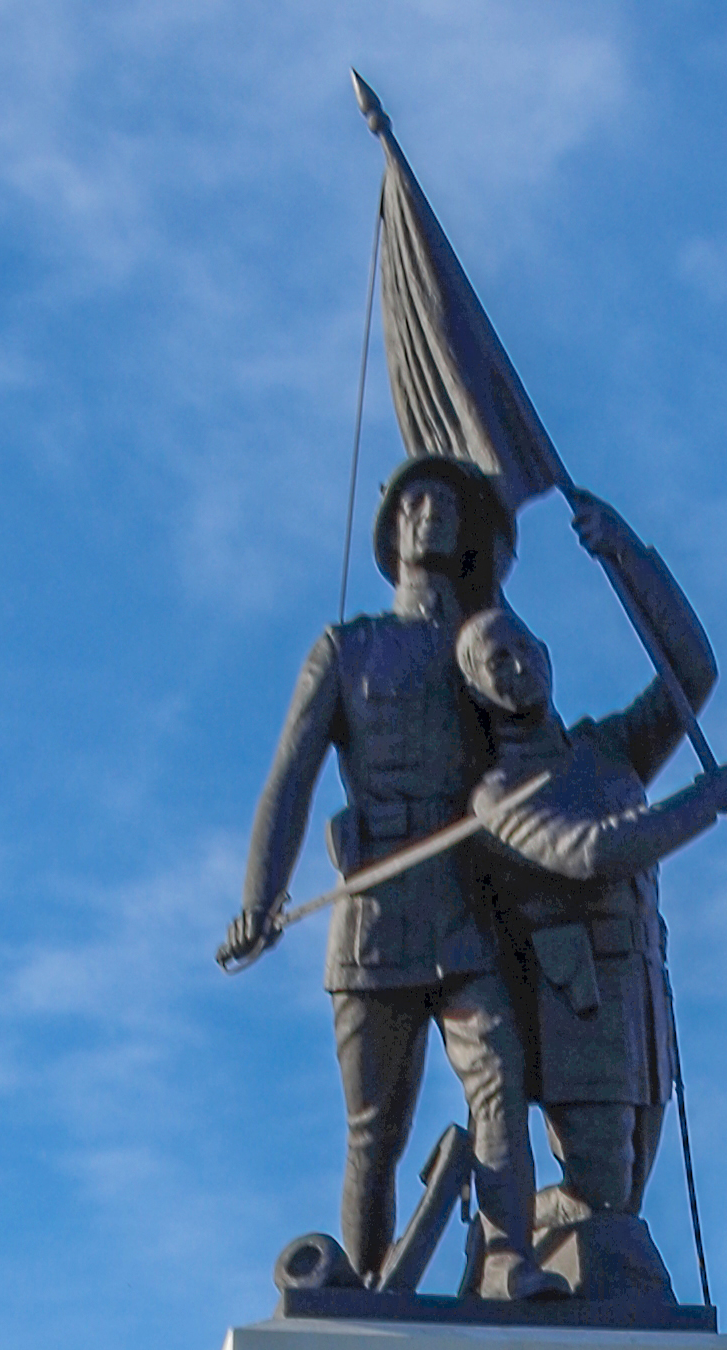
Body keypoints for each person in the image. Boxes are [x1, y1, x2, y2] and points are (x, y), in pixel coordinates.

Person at [221, 455, 551, 1297]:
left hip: (464, 897)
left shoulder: (491, 649)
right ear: (392, 530)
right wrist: (260, 902)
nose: (431, 513)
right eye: (415, 502)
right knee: (375, 1130)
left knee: (499, 1076)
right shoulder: (348, 648)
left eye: (447, 502)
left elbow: (544, 749)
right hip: (373, 907)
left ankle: (510, 1255)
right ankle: (366, 1285)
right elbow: (288, 779)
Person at [455, 596, 727, 1235]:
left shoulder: (609, 748)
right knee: (603, 1197)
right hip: (575, 997)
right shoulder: (497, 793)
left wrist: (626, 552)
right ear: (476, 689)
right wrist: (700, 804)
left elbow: (692, 674)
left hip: (643, 990)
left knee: (626, 1194)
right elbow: (591, 852)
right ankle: (502, 1230)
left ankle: (525, 1238)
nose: (520, 665)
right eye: (498, 660)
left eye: (526, 648)